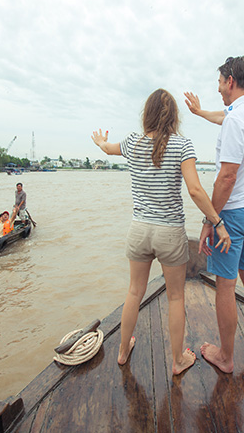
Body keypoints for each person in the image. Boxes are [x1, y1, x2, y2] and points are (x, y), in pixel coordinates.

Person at [91, 88, 231, 376]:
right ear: (174, 116)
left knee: (134, 292)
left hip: (139, 230)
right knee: (176, 298)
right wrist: (217, 221)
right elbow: (194, 189)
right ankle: (178, 359)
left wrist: (102, 141)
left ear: (147, 114)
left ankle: (121, 350)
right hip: (169, 233)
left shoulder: (132, 142)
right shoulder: (183, 145)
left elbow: (107, 149)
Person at [184, 56, 244, 373]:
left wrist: (210, 220)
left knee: (225, 285)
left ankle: (225, 356)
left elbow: (226, 177)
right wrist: (198, 113)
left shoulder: (237, 119)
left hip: (233, 215)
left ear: (231, 80)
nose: (219, 88)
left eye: (220, 82)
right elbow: (225, 116)